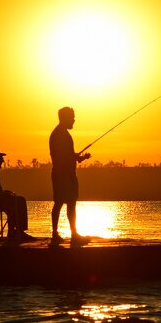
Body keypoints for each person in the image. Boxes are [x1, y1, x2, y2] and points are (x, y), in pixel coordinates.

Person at [49, 106, 90, 247]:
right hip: (64, 175)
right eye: (72, 117)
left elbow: (67, 155)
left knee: (61, 203)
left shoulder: (60, 134)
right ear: (64, 118)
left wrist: (79, 157)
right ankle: (73, 235)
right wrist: (75, 157)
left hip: (63, 174)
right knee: (68, 204)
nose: (74, 120)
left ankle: (58, 234)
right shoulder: (60, 135)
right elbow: (63, 156)